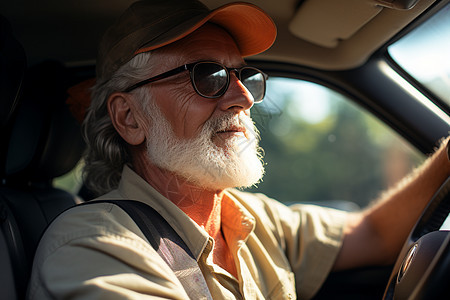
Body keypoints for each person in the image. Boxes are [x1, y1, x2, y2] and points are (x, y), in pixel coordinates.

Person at [27, 0, 450, 299]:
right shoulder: (93, 244)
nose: (244, 97)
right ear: (130, 119)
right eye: (207, 76)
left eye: (244, 74)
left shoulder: (251, 218)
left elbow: (373, 235)